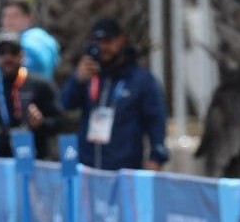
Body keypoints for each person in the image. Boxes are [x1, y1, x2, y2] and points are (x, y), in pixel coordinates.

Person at [60, 17, 168, 171]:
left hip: (124, 169)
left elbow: (156, 121)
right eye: (98, 41)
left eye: (108, 41)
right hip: (88, 166)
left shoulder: (140, 79)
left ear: (120, 40)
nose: (103, 47)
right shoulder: (89, 75)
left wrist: (156, 157)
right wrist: (77, 80)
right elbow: (66, 103)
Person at [0, 31, 63, 160]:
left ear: (22, 55)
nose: (8, 58)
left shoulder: (41, 85)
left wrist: (41, 123)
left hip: (36, 161)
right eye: (2, 53)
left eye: (13, 52)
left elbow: (60, 122)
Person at [1, 0, 61, 80]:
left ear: (28, 18)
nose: (9, 20)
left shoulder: (31, 41)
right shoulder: (42, 36)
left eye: (15, 16)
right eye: (5, 16)